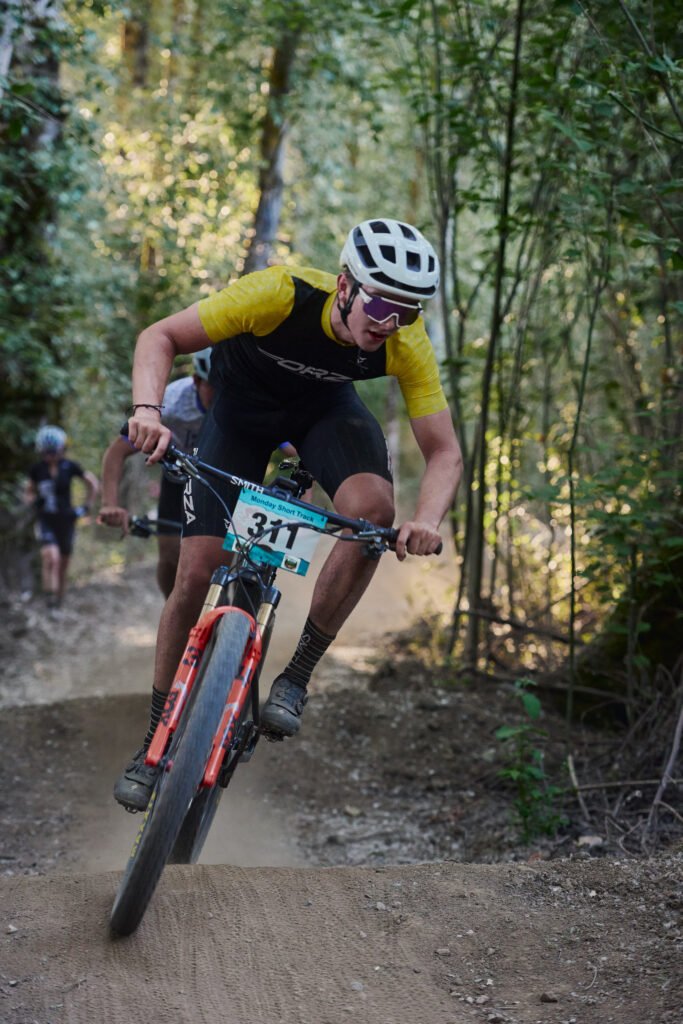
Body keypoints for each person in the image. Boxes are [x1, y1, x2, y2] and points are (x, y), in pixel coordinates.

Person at [114, 217, 463, 812]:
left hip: (324, 420)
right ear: (345, 285)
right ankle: (155, 738)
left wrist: (426, 519)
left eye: (406, 312)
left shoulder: (405, 340)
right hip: (239, 419)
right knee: (196, 572)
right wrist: (148, 410)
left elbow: (444, 451)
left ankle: (296, 676)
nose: (390, 323)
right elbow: (159, 335)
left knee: (371, 516)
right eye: (382, 303)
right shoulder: (278, 293)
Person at [98, 349, 216, 597]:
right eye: (213, 388)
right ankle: (174, 609)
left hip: (218, 480)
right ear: (197, 380)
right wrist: (110, 504)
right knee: (171, 554)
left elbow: (286, 443)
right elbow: (116, 453)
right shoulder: (170, 403)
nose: (219, 397)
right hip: (178, 477)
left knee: (219, 557)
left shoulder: (238, 403)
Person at [25, 425, 99, 609]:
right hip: (46, 519)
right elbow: (28, 492)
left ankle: (59, 600)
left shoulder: (69, 466)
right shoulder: (37, 469)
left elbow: (92, 483)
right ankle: (49, 600)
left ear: (61, 450)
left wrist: (85, 507)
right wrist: (34, 501)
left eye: (53, 452)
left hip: (67, 520)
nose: (50, 456)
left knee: (63, 564)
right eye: (46, 452)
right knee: (51, 557)